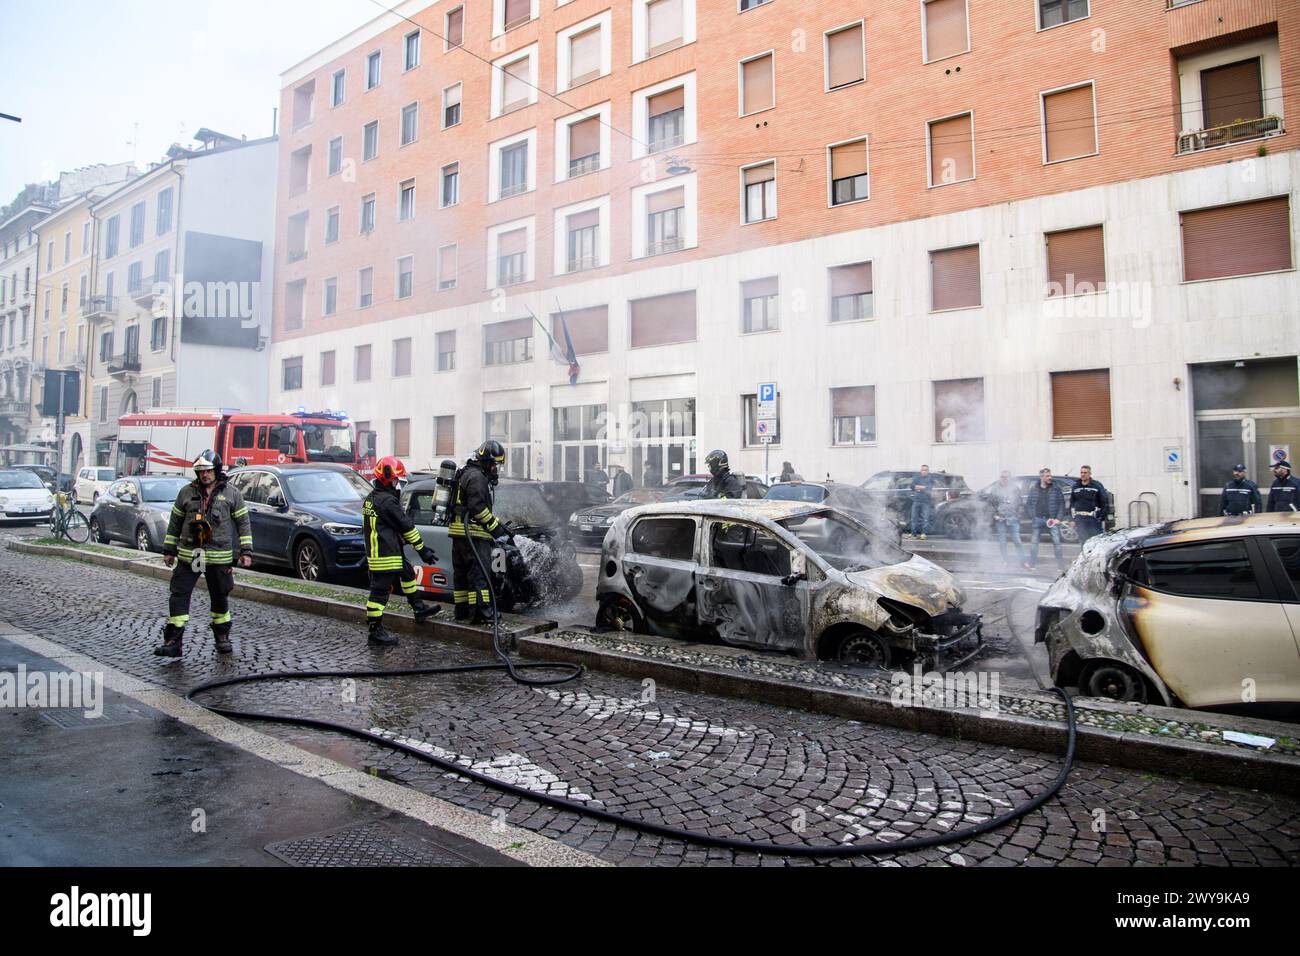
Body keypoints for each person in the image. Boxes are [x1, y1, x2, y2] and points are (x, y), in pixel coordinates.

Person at [154, 450, 252, 658]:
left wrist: (246, 551)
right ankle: (173, 642)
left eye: (208, 471)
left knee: (219, 597)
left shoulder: (232, 493)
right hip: (191, 555)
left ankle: (222, 637)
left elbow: (243, 523)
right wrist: (169, 550)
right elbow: (175, 523)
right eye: (200, 471)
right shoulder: (186, 493)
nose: (204, 475)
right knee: (179, 594)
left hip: (218, 556)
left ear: (216, 470)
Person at [361, 456, 440, 646]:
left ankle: (419, 608)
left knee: (407, 573)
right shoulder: (388, 501)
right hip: (385, 555)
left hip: (383, 551)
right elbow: (407, 527)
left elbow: (385, 525)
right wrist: (423, 551)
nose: (398, 483)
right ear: (388, 478)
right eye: (396, 479)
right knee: (379, 595)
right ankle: (375, 631)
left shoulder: (372, 498)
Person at [450, 440, 514, 623]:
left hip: (459, 534)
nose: (496, 469)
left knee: (462, 577)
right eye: (495, 464)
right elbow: (477, 509)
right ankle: (482, 613)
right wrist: (496, 529)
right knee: (480, 575)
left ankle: (461, 612)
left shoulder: (466, 473)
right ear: (487, 461)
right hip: (474, 535)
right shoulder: (477, 478)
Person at [1025, 468, 1068, 572]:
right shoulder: (1033, 489)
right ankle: (1031, 565)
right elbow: (1028, 504)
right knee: (1034, 543)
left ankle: (1060, 566)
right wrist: (1033, 516)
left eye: (1050, 475)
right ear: (1041, 477)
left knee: (1057, 543)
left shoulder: (1056, 489)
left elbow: (1062, 505)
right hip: (1038, 519)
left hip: (1052, 520)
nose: (1050, 478)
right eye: (1047, 476)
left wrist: (1058, 518)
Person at [986, 471, 1029, 570]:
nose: (1004, 479)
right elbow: (990, 504)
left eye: (1006, 477)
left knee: (1017, 541)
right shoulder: (995, 489)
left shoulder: (1015, 489)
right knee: (1002, 542)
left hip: (1013, 519)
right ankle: (1005, 561)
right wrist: (994, 515)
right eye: (1002, 477)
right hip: (1000, 519)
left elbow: (1020, 505)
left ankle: (1023, 562)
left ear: (1010, 478)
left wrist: (1018, 516)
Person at [1069, 465, 1109, 546]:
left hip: (1093, 520)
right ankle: (1085, 558)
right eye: (1081, 473)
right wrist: (1072, 519)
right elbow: (1071, 503)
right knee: (1083, 542)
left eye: (1085, 473)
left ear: (1090, 474)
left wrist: (1100, 517)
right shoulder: (1076, 486)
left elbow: (1104, 503)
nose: (1083, 474)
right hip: (1080, 520)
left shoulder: (1097, 485)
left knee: (1096, 542)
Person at [907, 466, 936, 540]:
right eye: (923, 470)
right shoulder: (917, 478)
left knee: (925, 519)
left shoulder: (930, 479)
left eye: (926, 470)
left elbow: (929, 488)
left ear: (928, 471)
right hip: (916, 500)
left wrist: (919, 487)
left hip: (926, 501)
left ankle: (924, 534)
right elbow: (912, 486)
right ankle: (914, 534)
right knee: (914, 518)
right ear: (920, 471)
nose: (924, 471)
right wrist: (922, 487)